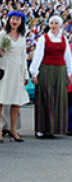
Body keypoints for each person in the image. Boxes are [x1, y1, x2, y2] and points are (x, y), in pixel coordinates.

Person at [29, 15, 72, 139]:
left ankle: (54, 128)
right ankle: (41, 128)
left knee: (59, 99)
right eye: (52, 23)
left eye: (56, 23)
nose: (53, 26)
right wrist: (34, 73)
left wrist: (69, 73)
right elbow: (38, 56)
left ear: (60, 25)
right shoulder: (44, 38)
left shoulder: (63, 39)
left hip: (60, 71)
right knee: (45, 98)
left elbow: (68, 57)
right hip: (46, 70)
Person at [0, 11, 30, 142]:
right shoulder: (2, 35)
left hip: (17, 70)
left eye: (18, 19)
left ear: (21, 22)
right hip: (5, 69)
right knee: (1, 100)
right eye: (13, 18)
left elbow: (23, 56)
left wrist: (25, 73)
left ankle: (13, 129)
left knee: (16, 102)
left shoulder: (22, 37)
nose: (15, 21)